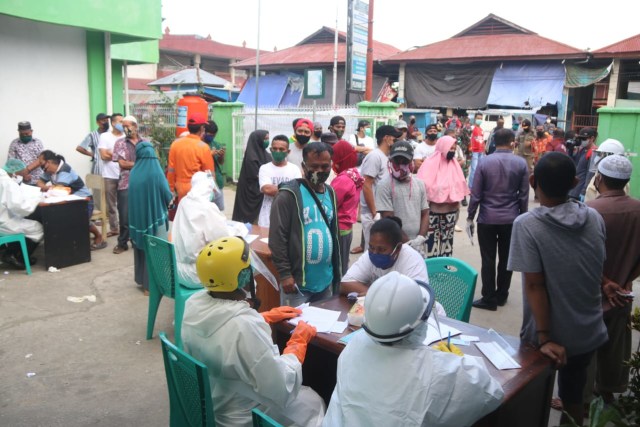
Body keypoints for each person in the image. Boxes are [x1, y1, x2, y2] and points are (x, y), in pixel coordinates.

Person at [324, 272, 504, 426]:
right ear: (419, 324)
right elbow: (491, 392)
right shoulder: (439, 372)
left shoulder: (354, 345)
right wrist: (459, 361)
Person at [507, 152, 608, 426]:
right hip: (587, 331)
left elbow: (534, 284)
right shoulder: (594, 217)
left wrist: (545, 337)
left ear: (532, 181)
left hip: (547, 338)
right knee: (573, 397)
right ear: (575, 181)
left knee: (530, 398)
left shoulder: (527, 225)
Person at [182, 236, 325, 427]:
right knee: (314, 403)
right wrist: (297, 344)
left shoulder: (195, 305)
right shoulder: (244, 327)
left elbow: (222, 334)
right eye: (249, 270)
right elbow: (281, 386)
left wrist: (264, 316)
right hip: (244, 417)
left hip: (215, 402)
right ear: (241, 277)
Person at [585, 155, 640, 405]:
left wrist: (605, 281)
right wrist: (627, 280)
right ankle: (606, 391)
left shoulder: (591, 211)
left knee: (586, 345)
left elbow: (583, 257)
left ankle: (581, 399)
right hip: (622, 291)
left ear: (599, 178)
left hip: (591, 289)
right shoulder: (637, 209)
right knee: (615, 343)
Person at [269, 142, 341, 307]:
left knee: (320, 329)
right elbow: (277, 238)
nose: (320, 171)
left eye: (325, 166)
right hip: (297, 285)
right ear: (303, 166)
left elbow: (333, 232)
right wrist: (285, 274)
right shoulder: (288, 195)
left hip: (325, 280)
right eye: (314, 166)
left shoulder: (330, 193)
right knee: (293, 330)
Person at [467, 129, 529, 311]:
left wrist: (470, 216)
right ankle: (502, 295)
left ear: (494, 141)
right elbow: (524, 195)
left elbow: (476, 194)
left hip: (487, 218)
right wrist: (522, 217)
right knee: (506, 259)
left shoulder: (485, 163)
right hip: (511, 219)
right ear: (512, 142)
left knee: (488, 259)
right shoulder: (521, 163)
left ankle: (489, 298)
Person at [36, 150, 106, 251]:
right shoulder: (50, 171)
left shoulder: (65, 170)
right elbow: (40, 182)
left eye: (43, 165)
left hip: (84, 201)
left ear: (50, 162)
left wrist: (49, 188)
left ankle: (98, 236)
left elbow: (58, 189)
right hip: (69, 202)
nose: (42, 169)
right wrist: (49, 188)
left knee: (77, 219)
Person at [340, 217, 428, 296]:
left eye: (381, 249)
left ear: (398, 248)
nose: (374, 253)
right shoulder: (370, 253)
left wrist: (376, 296)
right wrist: (376, 295)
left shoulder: (412, 261)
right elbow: (345, 284)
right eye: (371, 247)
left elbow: (417, 299)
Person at [128, 140, 173, 294]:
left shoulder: (134, 171)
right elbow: (167, 194)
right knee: (155, 250)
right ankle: (152, 285)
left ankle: (142, 280)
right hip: (154, 218)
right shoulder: (156, 171)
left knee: (141, 248)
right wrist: (170, 200)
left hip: (137, 218)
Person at [173, 172, 229, 288]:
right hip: (197, 274)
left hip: (178, 270)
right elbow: (224, 240)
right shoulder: (207, 208)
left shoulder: (183, 202)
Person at [417, 136, 469, 258]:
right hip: (432, 213)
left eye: (454, 148)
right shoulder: (429, 164)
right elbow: (423, 188)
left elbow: (460, 186)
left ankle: (444, 269)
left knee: (447, 243)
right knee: (431, 243)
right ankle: (431, 271)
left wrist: (457, 210)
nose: (452, 150)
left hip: (451, 213)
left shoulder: (455, 165)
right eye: (450, 148)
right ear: (442, 147)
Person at [375, 141, 429, 251]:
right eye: (397, 161)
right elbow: (389, 219)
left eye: (404, 161)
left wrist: (420, 238)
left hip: (418, 244)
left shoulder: (420, 184)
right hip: (395, 243)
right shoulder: (384, 186)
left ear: (411, 162)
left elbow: (425, 212)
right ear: (390, 161)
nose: (401, 166)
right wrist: (408, 244)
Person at [359, 125, 401, 251]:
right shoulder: (375, 156)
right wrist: (374, 212)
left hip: (382, 212)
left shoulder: (386, 157)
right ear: (386, 138)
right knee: (373, 251)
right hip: (373, 214)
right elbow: (367, 184)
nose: (396, 142)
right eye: (395, 139)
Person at [0, 162, 43, 269]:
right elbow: (20, 207)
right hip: (4, 221)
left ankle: (12, 253)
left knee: (24, 226)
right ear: (16, 171)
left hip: (4, 218)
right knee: (38, 228)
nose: (26, 171)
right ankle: (18, 257)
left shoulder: (3, 178)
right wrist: (36, 200)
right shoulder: (7, 182)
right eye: (24, 170)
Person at [329, 141, 363, 274]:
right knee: (342, 263)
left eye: (334, 158)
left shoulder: (343, 180)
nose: (333, 163)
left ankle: (338, 293)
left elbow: (331, 204)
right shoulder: (353, 175)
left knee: (337, 267)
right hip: (346, 228)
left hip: (339, 228)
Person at [166, 112, 215, 201]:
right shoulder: (203, 147)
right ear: (202, 128)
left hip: (180, 189)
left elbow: (171, 170)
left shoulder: (175, 144)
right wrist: (212, 190)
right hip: (197, 190)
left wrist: (171, 189)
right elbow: (209, 173)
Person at [112, 115, 141, 254]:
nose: (125, 129)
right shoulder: (120, 143)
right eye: (123, 126)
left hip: (142, 184)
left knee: (140, 215)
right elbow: (122, 163)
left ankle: (137, 242)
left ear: (135, 126)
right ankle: (122, 243)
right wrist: (140, 165)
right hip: (125, 183)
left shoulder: (145, 142)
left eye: (128, 125)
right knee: (124, 216)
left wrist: (134, 165)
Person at [257, 135, 301, 227]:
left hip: (288, 217)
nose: (278, 151)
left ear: (288, 152)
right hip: (266, 219)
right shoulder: (264, 168)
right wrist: (290, 189)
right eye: (275, 148)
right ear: (271, 150)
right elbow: (267, 189)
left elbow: (297, 191)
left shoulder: (294, 169)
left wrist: (278, 189)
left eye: (281, 149)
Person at [231, 130, 271, 224]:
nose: (267, 141)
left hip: (261, 191)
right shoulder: (251, 157)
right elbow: (255, 175)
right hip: (250, 192)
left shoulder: (266, 154)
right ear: (258, 140)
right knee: (248, 220)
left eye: (268, 138)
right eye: (265, 139)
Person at [98, 113, 124, 238]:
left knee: (124, 204)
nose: (122, 123)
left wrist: (111, 153)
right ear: (113, 123)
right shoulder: (105, 136)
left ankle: (126, 229)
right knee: (111, 204)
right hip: (109, 175)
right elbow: (103, 155)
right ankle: (114, 228)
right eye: (120, 121)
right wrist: (119, 156)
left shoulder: (126, 137)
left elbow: (129, 156)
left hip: (125, 175)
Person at [7, 121, 45, 185]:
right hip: (19, 180)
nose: (24, 136)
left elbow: (41, 159)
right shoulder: (14, 143)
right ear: (18, 132)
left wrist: (27, 170)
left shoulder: (38, 143)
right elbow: (11, 163)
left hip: (37, 180)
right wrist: (21, 174)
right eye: (22, 134)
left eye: (27, 134)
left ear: (31, 131)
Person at [203, 120, 226, 211]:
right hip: (204, 183)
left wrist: (221, 156)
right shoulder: (199, 145)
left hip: (217, 182)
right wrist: (209, 154)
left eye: (214, 135)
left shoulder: (216, 144)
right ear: (203, 132)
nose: (212, 137)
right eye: (210, 135)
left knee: (218, 210)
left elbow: (221, 162)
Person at [569, 127, 598, 201]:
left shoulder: (593, 152)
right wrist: (571, 149)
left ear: (592, 138)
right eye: (580, 138)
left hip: (579, 192)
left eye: (584, 139)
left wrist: (584, 192)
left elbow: (590, 174)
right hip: (573, 189)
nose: (582, 141)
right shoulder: (582, 149)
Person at [468, 112, 485, 190]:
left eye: (481, 119)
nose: (479, 120)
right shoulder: (471, 128)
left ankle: (478, 186)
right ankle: (471, 187)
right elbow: (468, 139)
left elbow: (482, 140)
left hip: (481, 152)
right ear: (475, 118)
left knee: (480, 170)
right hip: (474, 151)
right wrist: (469, 149)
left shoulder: (481, 129)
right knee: (474, 169)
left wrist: (484, 150)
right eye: (478, 118)